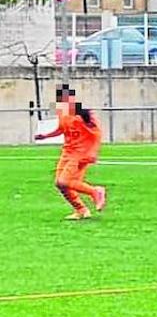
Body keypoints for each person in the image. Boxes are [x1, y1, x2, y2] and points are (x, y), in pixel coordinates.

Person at [34, 85, 106, 220]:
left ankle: (95, 191)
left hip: (81, 154)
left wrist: (93, 152)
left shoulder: (84, 114)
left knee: (64, 181)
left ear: (73, 98)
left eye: (67, 98)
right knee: (59, 183)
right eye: (61, 99)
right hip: (68, 152)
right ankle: (81, 210)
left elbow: (97, 134)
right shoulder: (62, 112)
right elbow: (61, 129)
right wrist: (46, 136)